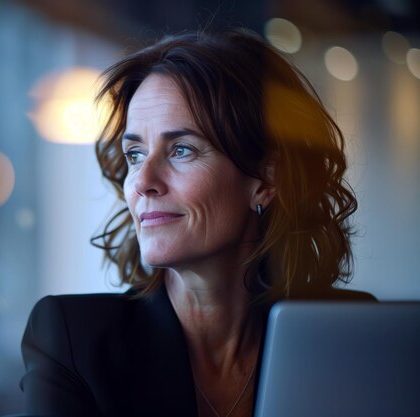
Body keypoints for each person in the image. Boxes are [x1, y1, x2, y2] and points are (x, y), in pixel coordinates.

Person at [19, 28, 374, 417]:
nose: (142, 181)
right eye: (135, 154)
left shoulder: (351, 337)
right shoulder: (73, 341)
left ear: (266, 180)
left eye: (181, 150)